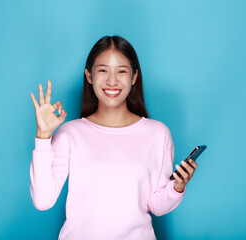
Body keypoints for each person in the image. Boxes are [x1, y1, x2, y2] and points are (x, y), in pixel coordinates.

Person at [29, 35, 198, 240]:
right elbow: (42, 200)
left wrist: (177, 186)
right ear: (89, 76)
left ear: (134, 77)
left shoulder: (157, 133)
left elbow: (157, 206)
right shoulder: (70, 133)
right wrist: (43, 137)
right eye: (102, 70)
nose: (111, 81)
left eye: (121, 71)